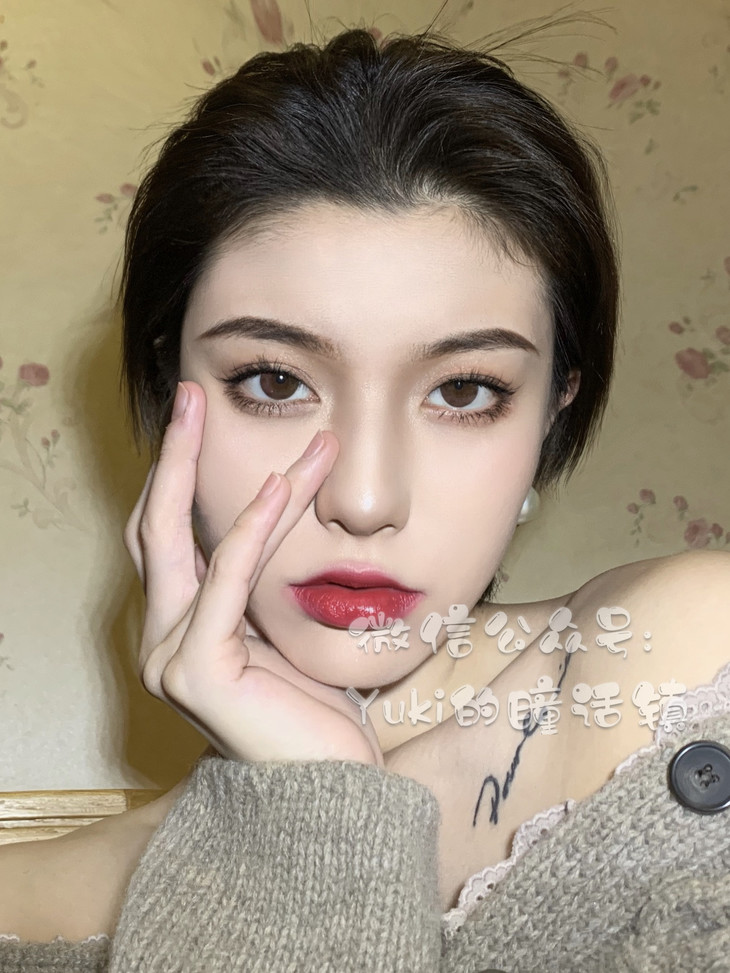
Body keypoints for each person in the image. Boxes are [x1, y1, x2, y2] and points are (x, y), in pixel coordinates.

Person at [1, 22, 729, 973]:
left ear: (553, 412)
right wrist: (319, 799)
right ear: (169, 388)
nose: (365, 497)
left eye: (463, 391)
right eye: (274, 380)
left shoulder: (688, 670)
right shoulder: (23, 913)